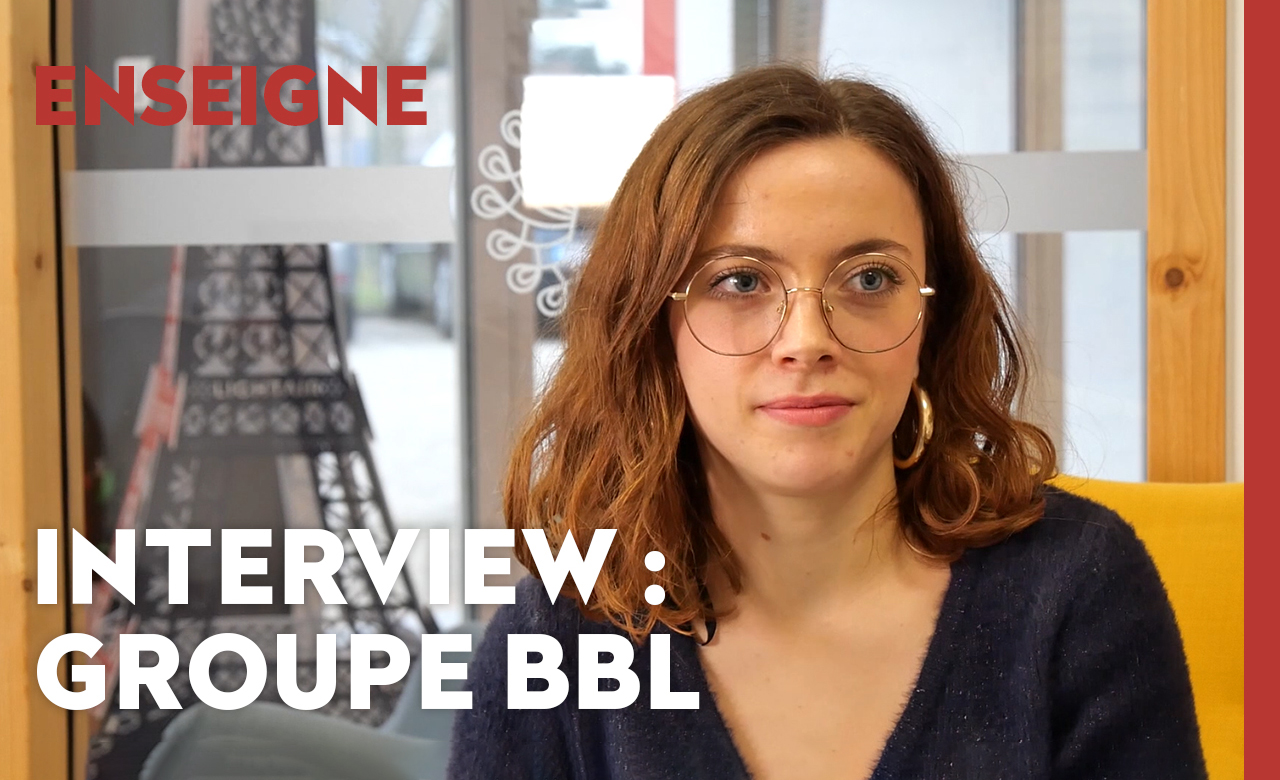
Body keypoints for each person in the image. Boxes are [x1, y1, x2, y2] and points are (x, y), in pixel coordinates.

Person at [448, 64, 1206, 779]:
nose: (807, 340)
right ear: (651, 324)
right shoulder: (554, 635)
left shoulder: (1077, 590)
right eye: (739, 281)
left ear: (932, 319)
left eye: (870, 278)